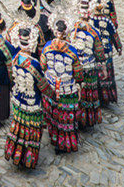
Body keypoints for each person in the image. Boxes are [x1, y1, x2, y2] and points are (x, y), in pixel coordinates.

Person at [4, 28, 51, 169]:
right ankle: (28, 158)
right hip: (32, 103)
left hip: (19, 99)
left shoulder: (15, 59)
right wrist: (53, 94)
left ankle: (16, 153)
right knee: (31, 130)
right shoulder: (34, 64)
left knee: (19, 126)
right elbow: (43, 86)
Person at [41, 16, 83, 153]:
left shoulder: (47, 47)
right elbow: (78, 73)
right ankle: (65, 143)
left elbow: (43, 65)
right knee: (66, 117)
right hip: (67, 88)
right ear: (66, 32)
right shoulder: (72, 51)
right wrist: (79, 84)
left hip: (52, 85)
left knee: (53, 114)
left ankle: (54, 138)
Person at [71, 0, 105, 129]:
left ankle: (76, 118)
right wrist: (103, 68)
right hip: (89, 66)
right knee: (87, 94)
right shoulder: (94, 32)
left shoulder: (72, 29)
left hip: (76, 67)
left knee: (77, 94)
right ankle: (87, 119)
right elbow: (99, 52)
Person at [90, 0, 122, 105]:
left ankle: (95, 96)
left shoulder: (90, 21)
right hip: (106, 50)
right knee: (105, 75)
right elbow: (114, 34)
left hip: (93, 52)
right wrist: (119, 48)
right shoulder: (107, 21)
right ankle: (105, 97)